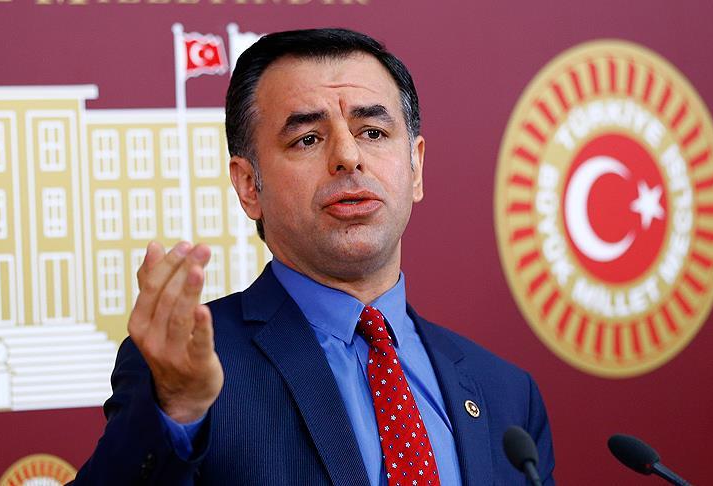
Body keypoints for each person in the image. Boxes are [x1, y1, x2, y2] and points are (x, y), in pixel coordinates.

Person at [72, 28, 555, 485]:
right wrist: (177, 408)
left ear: (416, 167)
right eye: (308, 139)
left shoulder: (506, 394)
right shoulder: (187, 371)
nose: (348, 156)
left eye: (373, 132)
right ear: (249, 185)